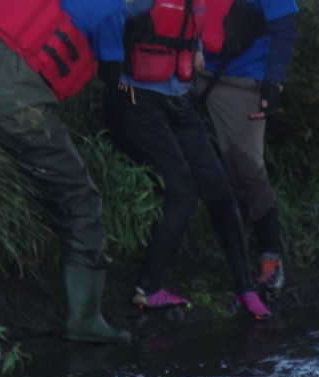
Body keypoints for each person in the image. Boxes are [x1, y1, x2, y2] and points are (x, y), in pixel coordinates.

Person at [0, 0, 149, 344]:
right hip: (13, 100)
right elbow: (111, 75)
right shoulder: (114, 9)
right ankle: (85, 322)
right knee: (80, 198)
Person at [99, 0, 272, 318]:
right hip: (135, 101)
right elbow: (107, 19)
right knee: (183, 190)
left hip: (177, 99)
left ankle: (246, 289)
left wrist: (196, 46)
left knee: (219, 193)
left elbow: (187, 24)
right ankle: (147, 289)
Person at [195, 0, 298, 292]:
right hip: (184, 66)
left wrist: (273, 81)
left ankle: (270, 259)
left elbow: (284, 29)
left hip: (239, 77)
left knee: (247, 167)